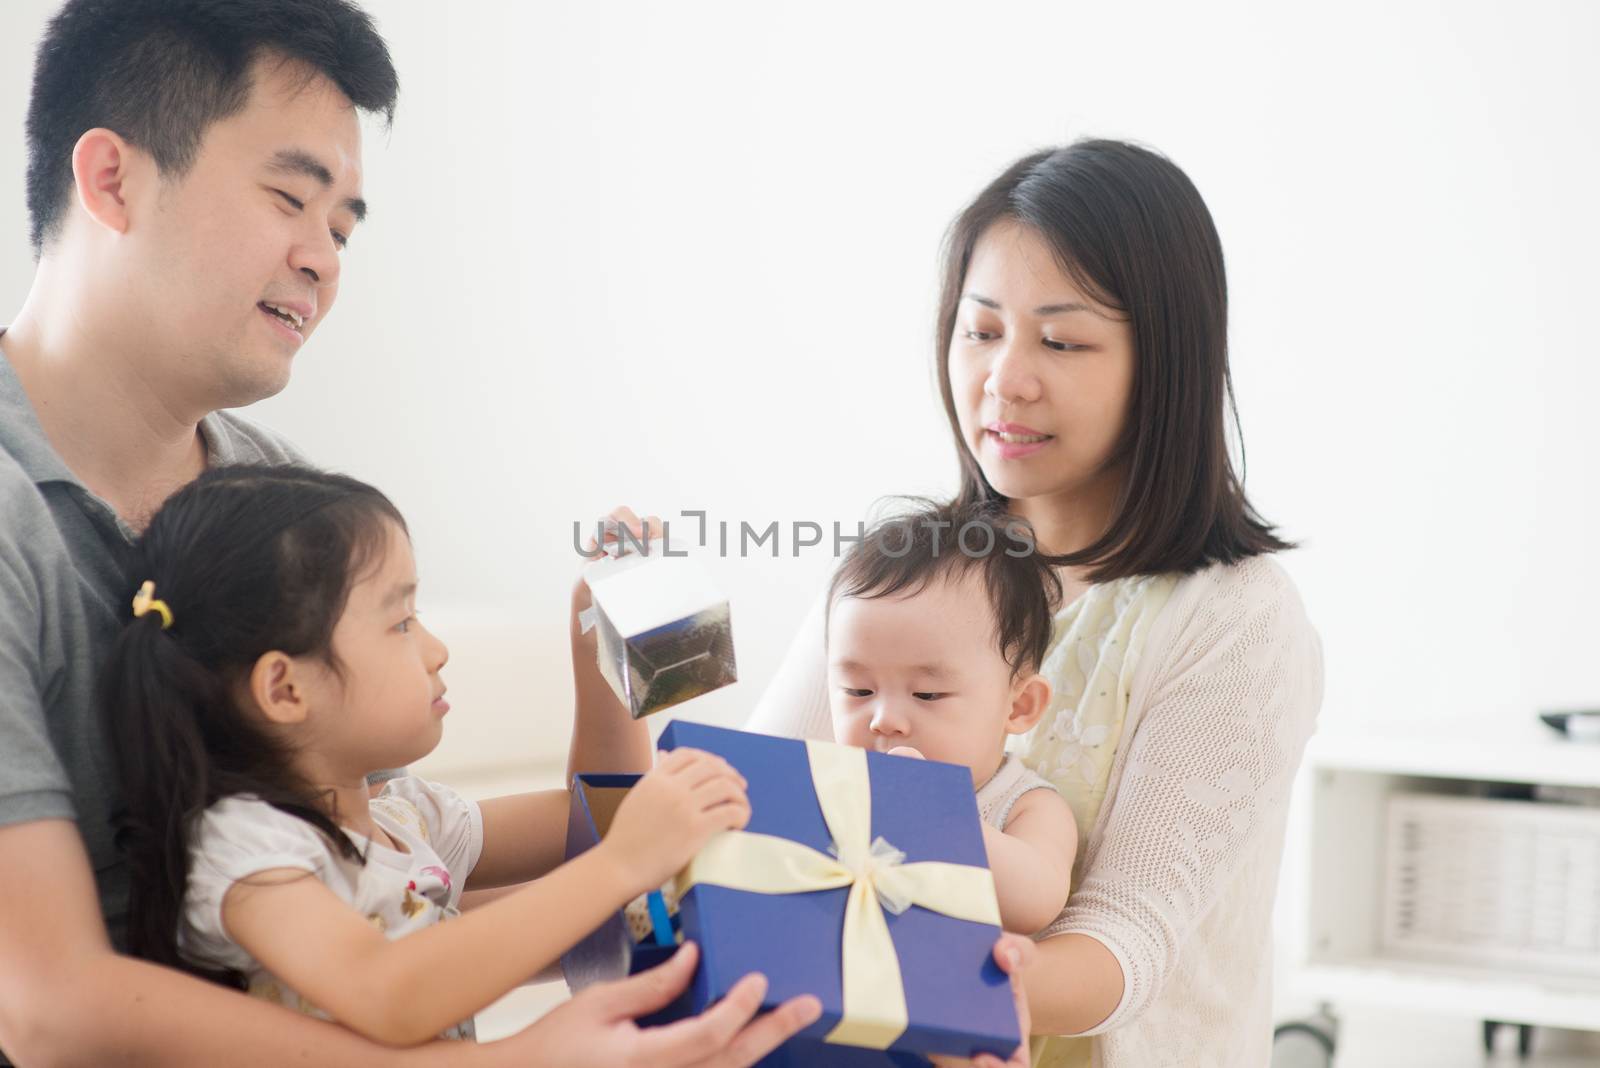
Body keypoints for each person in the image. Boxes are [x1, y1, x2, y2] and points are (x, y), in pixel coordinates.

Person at [0, 1, 822, 1063]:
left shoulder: (281, 500)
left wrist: (618, 686)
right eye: (290, 198)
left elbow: (398, 900)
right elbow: (49, 1008)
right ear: (112, 178)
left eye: (340, 227)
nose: (323, 259)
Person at [748, 141, 1325, 1068]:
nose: (1005, 378)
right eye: (981, 331)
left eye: (1061, 341)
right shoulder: (909, 578)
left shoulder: (1235, 620)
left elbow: (1122, 940)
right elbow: (758, 805)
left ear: (1164, 362)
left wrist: (933, 992)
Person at [105, 463, 756, 1045]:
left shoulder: (406, 821)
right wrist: (622, 862)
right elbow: (389, 992)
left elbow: (591, 821)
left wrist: (596, 643)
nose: (436, 650)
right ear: (285, 688)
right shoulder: (248, 848)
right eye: (402, 622)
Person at [824, 500, 1077, 935]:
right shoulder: (834, 782)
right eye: (858, 691)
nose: (883, 719)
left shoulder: (1023, 805)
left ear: (1018, 706)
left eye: (927, 694)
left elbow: (1037, 900)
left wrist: (936, 813)